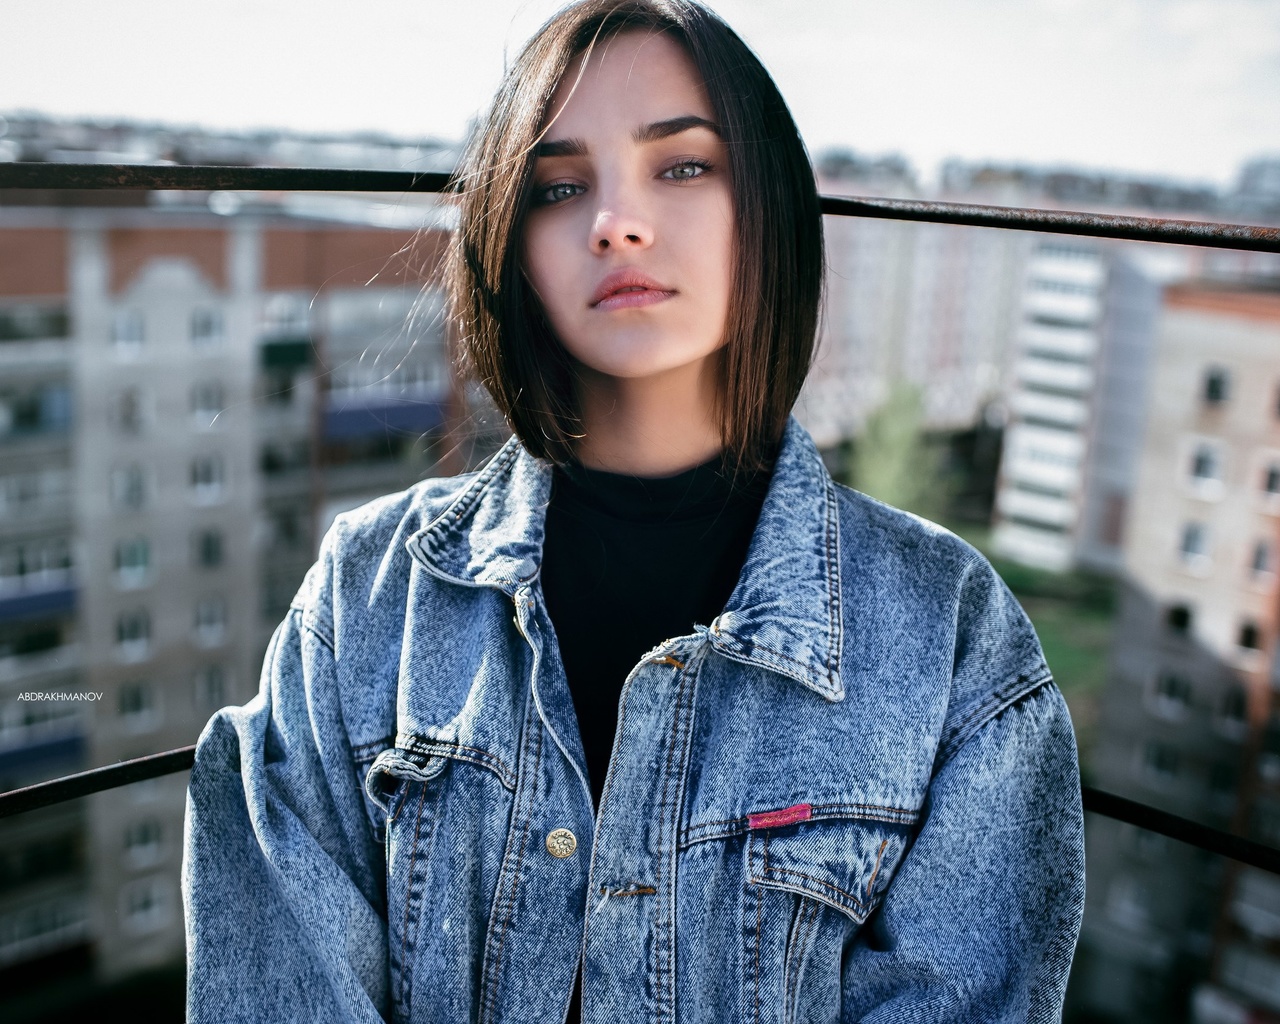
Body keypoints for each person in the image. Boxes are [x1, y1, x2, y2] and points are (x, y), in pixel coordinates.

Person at [182, 1, 1085, 1021]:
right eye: (559, 187)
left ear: (767, 203)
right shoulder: (368, 589)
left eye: (682, 165)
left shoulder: (948, 632)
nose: (615, 219)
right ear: (509, 245)